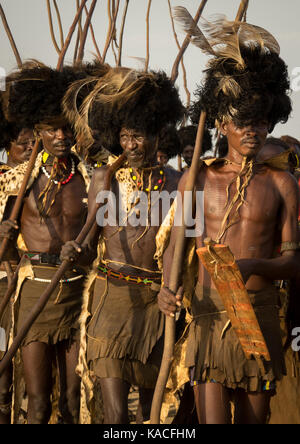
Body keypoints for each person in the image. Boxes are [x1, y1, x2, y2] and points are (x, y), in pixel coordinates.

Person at [157, 16, 299, 424]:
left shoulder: (282, 183)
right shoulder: (197, 178)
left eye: (259, 120)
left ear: (270, 120)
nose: (252, 129)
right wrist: (168, 288)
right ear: (221, 123)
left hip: (259, 311)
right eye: (241, 119)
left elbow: (293, 262)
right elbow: (177, 244)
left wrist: (251, 267)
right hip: (208, 311)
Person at [60, 66, 185, 424]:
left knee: (148, 412)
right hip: (110, 297)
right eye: (126, 137)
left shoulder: (181, 185)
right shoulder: (105, 178)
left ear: (159, 135)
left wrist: (170, 290)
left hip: (155, 306)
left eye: (139, 137)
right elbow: (88, 238)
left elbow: (183, 248)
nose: (131, 146)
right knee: (115, 415)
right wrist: (76, 251)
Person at [0, 63, 92, 424]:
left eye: (66, 127)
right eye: (51, 129)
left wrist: (82, 252)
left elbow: (98, 241)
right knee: (38, 403)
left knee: (71, 399)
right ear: (38, 131)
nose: (60, 135)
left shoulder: (90, 179)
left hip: (76, 294)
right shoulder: (17, 182)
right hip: (33, 291)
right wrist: (5, 237)